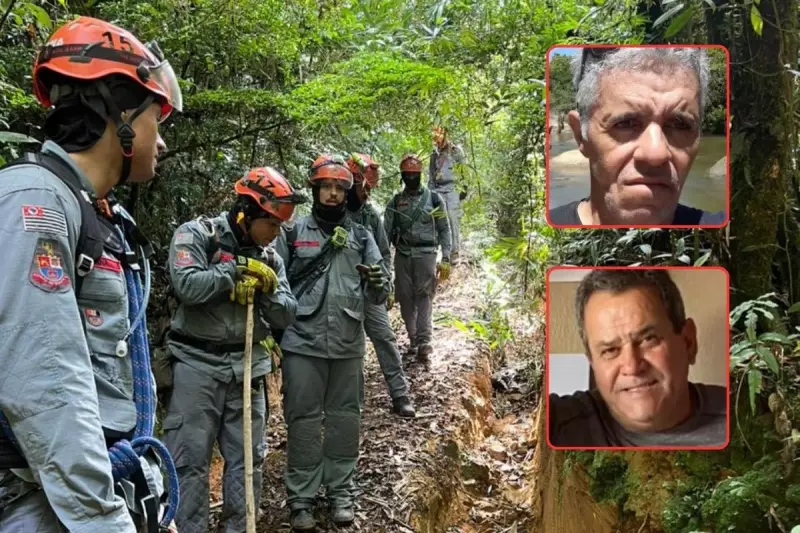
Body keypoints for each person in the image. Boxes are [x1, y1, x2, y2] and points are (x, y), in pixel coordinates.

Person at [0, 16, 182, 532]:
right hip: (35, 501)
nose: (161, 142)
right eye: (155, 120)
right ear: (118, 115)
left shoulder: (99, 214)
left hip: (80, 491)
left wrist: (139, 494)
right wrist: (106, 521)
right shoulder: (34, 202)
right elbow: (47, 386)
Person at [161, 168, 304, 532]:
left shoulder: (270, 258)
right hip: (197, 366)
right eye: (271, 223)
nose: (276, 233)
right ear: (247, 213)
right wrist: (232, 275)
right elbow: (187, 285)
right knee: (188, 462)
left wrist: (266, 289)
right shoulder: (197, 235)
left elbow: (288, 312)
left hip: (248, 369)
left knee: (248, 463)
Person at [274, 154, 389, 531]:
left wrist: (377, 283)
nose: (333, 194)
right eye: (326, 186)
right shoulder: (291, 233)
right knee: (303, 421)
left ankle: (341, 491)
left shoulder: (361, 235)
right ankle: (302, 498)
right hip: (301, 342)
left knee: (344, 420)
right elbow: (276, 285)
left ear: (348, 192)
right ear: (314, 190)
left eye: (340, 187)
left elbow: (380, 293)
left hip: (347, 340)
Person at [548, 47, 727, 226]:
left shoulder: (727, 234)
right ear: (580, 135)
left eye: (679, 125)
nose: (656, 154)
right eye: (625, 124)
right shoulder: (538, 237)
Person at [548, 269, 727, 447]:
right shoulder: (559, 424)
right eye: (610, 350)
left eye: (648, 339)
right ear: (592, 362)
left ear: (688, 342)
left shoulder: (743, 415)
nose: (632, 366)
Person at [344, 153, 416, 418]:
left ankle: (400, 394)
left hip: (369, 290)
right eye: (362, 187)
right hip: (340, 295)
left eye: (369, 188)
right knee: (347, 348)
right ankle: (348, 404)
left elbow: (384, 252)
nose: (366, 193)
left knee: (385, 338)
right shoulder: (331, 214)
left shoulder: (370, 216)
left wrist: (383, 279)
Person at [385, 154, 452, 362]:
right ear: (402, 176)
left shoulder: (434, 199)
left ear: (420, 175)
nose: (411, 178)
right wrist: (384, 265)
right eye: (407, 175)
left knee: (424, 296)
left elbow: (444, 228)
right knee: (404, 297)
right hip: (403, 254)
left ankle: (424, 341)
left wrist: (447, 257)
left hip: (427, 254)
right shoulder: (395, 202)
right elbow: (385, 234)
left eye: (414, 175)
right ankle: (413, 338)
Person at [429, 126, 467, 260]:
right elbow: (431, 174)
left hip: (452, 189)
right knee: (438, 219)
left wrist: (463, 190)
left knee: (452, 219)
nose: (437, 142)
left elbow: (464, 172)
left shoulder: (456, 151)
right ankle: (442, 252)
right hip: (438, 189)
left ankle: (454, 252)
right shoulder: (434, 154)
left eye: (438, 138)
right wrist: (430, 193)